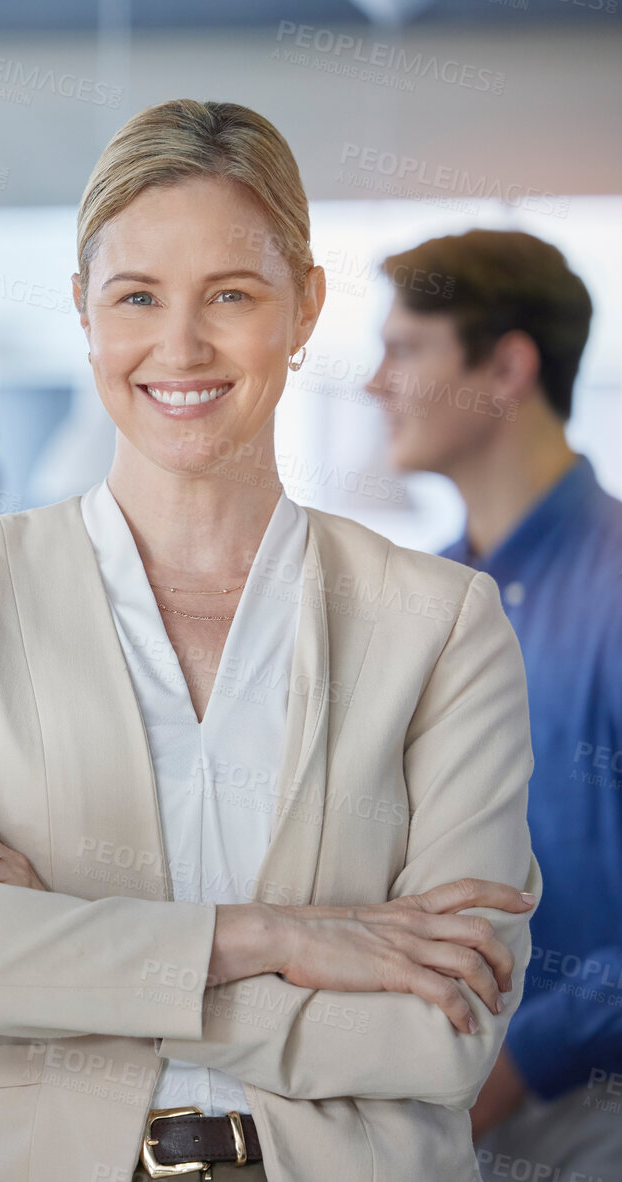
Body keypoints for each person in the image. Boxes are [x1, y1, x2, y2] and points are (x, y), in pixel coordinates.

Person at [0, 99, 543, 1181]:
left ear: (303, 309)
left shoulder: (439, 622)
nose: (179, 346)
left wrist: (55, 942)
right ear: (82, 311)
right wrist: (275, 937)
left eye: (232, 296)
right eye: (136, 297)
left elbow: (439, 1032)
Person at [365, 229, 622, 1175]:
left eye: (404, 349)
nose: (372, 383)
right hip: (434, 1105)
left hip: (586, 1113)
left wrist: (518, 1061)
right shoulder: (415, 604)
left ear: (506, 365)